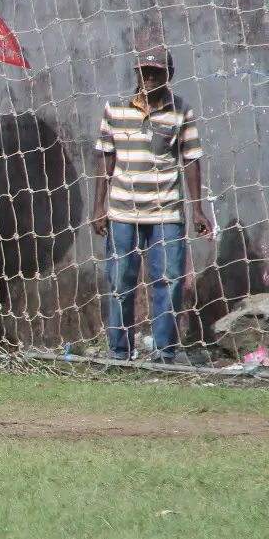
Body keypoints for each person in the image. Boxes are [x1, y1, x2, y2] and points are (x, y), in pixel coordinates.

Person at [91, 40, 209, 363]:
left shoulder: (181, 110)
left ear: (168, 74)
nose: (150, 79)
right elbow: (105, 160)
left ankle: (163, 354)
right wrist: (98, 206)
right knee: (120, 282)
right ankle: (119, 352)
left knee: (169, 281)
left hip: (166, 213)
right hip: (122, 213)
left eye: (156, 72)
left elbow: (191, 160)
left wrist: (197, 208)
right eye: (144, 72)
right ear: (136, 73)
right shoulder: (114, 110)